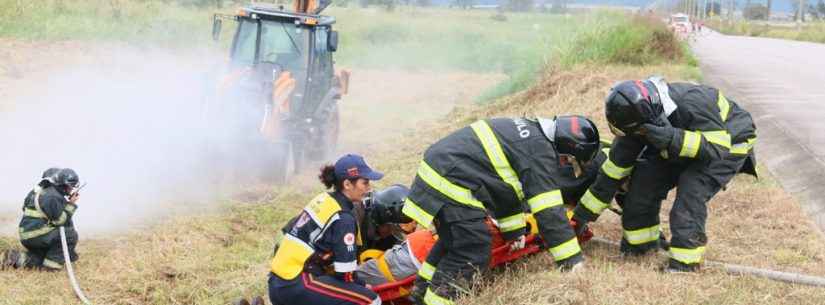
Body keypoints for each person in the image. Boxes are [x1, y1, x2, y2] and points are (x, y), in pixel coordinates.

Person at [401, 115, 602, 305]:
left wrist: (513, 232)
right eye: (568, 161)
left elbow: (505, 191)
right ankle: (436, 300)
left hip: (441, 173)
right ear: (567, 149)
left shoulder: (530, 134)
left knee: (455, 239)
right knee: (473, 248)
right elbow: (549, 212)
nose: (564, 165)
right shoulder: (539, 153)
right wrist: (572, 261)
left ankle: (421, 290)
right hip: (448, 181)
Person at [572, 76, 757, 273]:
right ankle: (642, 247)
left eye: (639, 130)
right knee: (642, 184)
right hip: (673, 141)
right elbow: (611, 174)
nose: (635, 135)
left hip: (727, 145)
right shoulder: (636, 122)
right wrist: (580, 219)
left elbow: (716, 147)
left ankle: (684, 265)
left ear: (649, 120)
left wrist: (670, 138)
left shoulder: (692, 101)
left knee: (691, 190)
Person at [268, 154, 383, 305]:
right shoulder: (343, 218)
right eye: (365, 182)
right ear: (347, 184)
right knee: (371, 300)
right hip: (299, 283)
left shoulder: (323, 199)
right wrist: (362, 286)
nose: (369, 188)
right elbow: (345, 274)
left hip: (277, 282)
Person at [1, 168, 81, 271]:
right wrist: (71, 204)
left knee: (42, 258)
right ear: (63, 185)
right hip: (36, 234)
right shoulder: (53, 196)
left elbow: (25, 208)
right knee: (69, 235)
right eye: (70, 187)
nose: (71, 190)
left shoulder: (41, 191)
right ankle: (51, 268)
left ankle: (13, 258)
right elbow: (60, 221)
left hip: (28, 234)